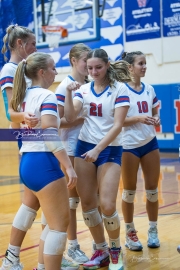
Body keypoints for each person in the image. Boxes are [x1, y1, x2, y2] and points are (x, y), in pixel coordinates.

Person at [64, 48, 131, 270]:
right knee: (89, 205)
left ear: (107, 65)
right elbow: (71, 117)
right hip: (85, 147)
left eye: (98, 67)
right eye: (90, 68)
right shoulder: (83, 89)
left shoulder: (119, 89)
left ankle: (115, 251)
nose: (93, 71)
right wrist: (69, 93)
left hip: (110, 149)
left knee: (108, 205)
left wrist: (98, 149)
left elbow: (118, 125)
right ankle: (101, 250)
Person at [10, 52, 77, 270]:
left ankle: (21, 262)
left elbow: (14, 131)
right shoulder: (46, 96)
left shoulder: (22, 96)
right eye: (53, 68)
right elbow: (49, 134)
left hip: (27, 162)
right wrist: (68, 166)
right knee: (58, 226)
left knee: (44, 219)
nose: (56, 72)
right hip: (44, 164)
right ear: (42, 72)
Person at [0, 24, 40, 270]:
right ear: (20, 44)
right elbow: (10, 113)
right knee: (46, 202)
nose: (35, 48)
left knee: (34, 202)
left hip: (41, 136)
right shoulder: (9, 69)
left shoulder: (27, 68)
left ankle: (13, 257)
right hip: (33, 138)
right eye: (32, 44)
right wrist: (27, 117)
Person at [120, 51, 160, 251]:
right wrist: (138, 118)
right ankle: (130, 233)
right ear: (130, 67)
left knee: (153, 191)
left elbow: (154, 111)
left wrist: (156, 118)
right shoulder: (121, 91)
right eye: (140, 63)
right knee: (129, 192)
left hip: (150, 143)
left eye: (145, 63)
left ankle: (153, 231)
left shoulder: (149, 89)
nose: (144, 67)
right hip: (128, 146)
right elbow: (117, 122)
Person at [55, 43, 90, 264]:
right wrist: (86, 118)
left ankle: (99, 246)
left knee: (89, 200)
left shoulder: (90, 85)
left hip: (89, 147)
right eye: (85, 59)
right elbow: (59, 122)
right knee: (71, 202)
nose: (88, 64)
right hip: (70, 149)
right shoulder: (65, 86)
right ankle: (73, 246)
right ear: (74, 61)